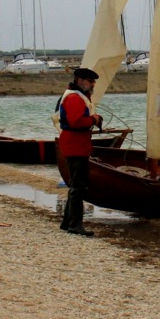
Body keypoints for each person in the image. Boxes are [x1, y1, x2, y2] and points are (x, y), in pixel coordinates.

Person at [56, 67, 103, 236]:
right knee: (78, 187)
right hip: (75, 145)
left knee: (76, 185)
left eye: (94, 82)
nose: (93, 85)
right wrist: (93, 119)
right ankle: (75, 225)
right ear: (80, 80)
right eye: (91, 81)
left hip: (75, 144)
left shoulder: (76, 96)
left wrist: (93, 119)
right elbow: (76, 122)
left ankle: (67, 222)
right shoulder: (75, 98)